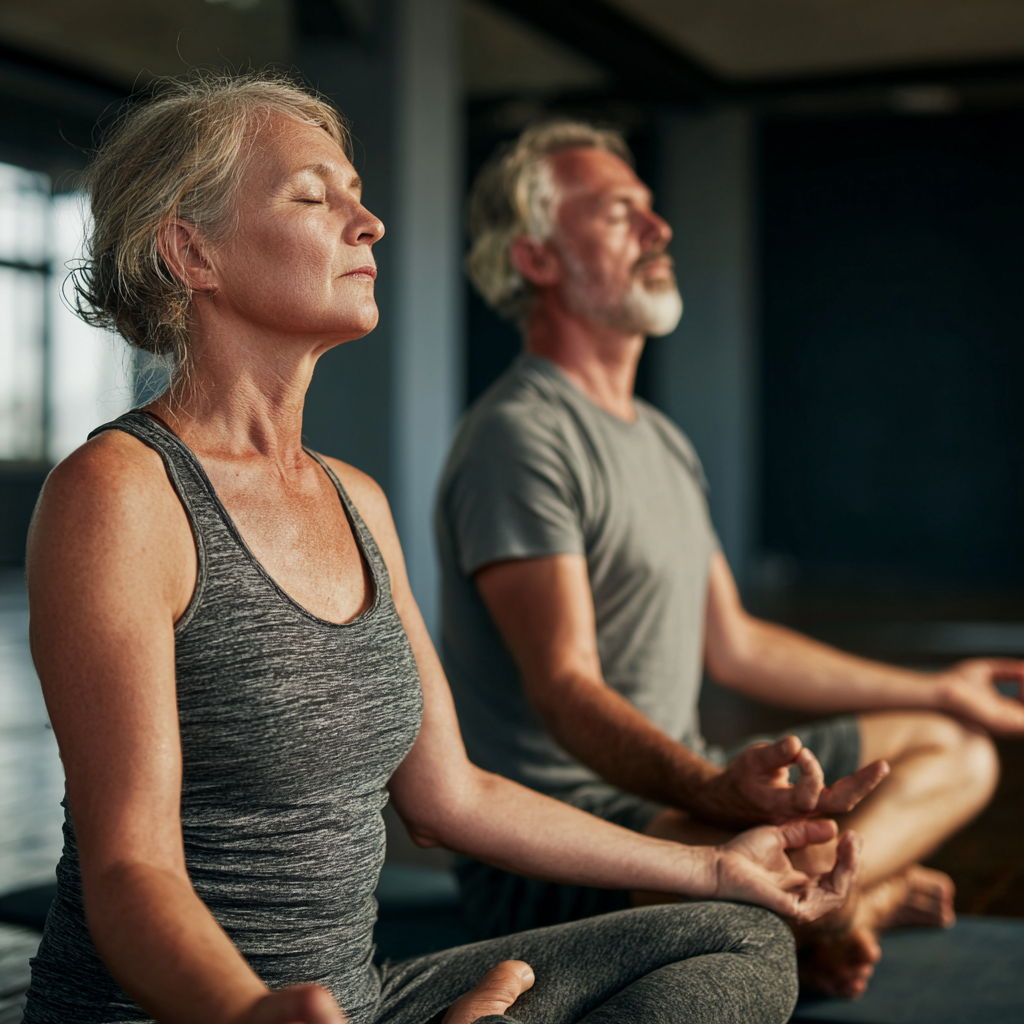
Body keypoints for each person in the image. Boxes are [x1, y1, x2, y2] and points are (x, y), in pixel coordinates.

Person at [20, 75, 857, 1024]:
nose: (368, 221)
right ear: (190, 251)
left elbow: (453, 798)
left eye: (357, 192)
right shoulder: (121, 495)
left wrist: (712, 863)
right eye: (313, 196)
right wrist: (252, 1016)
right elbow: (130, 865)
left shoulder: (357, 501)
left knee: (735, 934)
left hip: (363, 1004)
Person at [436, 120, 1024, 999]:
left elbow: (738, 644)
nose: (658, 229)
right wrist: (717, 791)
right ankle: (844, 897)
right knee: (800, 855)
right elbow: (565, 684)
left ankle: (842, 907)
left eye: (652, 209)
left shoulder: (665, 442)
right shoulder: (520, 437)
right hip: (560, 837)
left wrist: (934, 686)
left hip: (684, 782)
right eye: (617, 213)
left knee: (959, 750)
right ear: (537, 260)